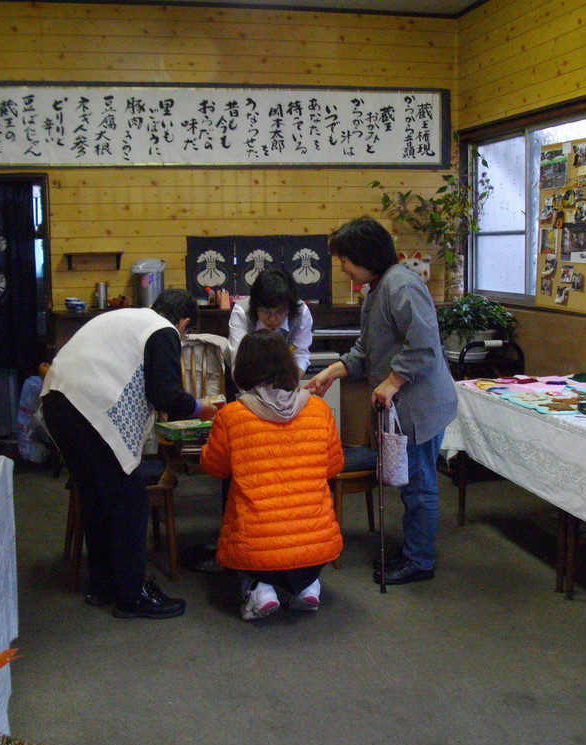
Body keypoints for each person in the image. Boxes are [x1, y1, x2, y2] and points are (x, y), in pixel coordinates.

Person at [41, 289, 218, 620]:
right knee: (129, 502)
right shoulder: (162, 329)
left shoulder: (129, 318)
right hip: (90, 409)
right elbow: (166, 394)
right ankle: (132, 595)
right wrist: (201, 407)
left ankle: (104, 585)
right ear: (184, 323)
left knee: (96, 500)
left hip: (56, 401)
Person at [305, 216, 457, 585]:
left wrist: (393, 380)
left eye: (345, 260)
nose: (343, 268)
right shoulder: (378, 287)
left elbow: (424, 345)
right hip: (404, 406)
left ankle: (420, 561)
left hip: (419, 405)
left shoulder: (401, 284)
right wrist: (332, 371)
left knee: (419, 487)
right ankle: (413, 550)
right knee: (410, 483)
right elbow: (367, 347)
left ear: (366, 256)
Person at [200, 329, 344, 620]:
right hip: (315, 545)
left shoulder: (231, 416)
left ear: (244, 368)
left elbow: (215, 467)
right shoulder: (319, 410)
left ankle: (259, 590)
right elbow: (334, 466)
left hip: (256, 547)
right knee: (301, 549)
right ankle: (308, 586)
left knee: (246, 533)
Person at [227, 268, 313, 375]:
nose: (272, 318)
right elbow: (238, 363)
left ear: (289, 307)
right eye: (265, 311)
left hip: (284, 376)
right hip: (248, 376)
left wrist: (291, 383)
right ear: (255, 306)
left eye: (279, 311)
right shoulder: (242, 312)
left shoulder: (301, 313)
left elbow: (300, 355)